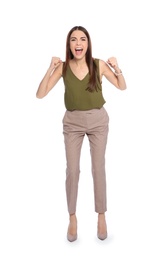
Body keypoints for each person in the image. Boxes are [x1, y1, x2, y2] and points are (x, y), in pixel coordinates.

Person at [36, 25, 127, 242]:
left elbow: (122, 87)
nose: (78, 44)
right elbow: (40, 94)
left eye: (83, 39)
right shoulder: (63, 68)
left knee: (98, 168)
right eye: (74, 40)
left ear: (88, 43)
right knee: (73, 171)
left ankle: (101, 215)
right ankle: (72, 217)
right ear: (69, 44)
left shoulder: (99, 65)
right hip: (73, 123)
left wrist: (117, 68)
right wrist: (49, 68)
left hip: (98, 121)